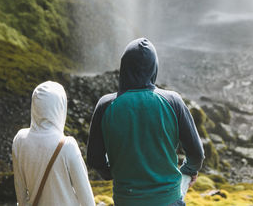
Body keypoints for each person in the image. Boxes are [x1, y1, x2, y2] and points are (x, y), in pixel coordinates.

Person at [87, 38, 205, 206]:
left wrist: (111, 173)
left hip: (126, 200)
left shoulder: (105, 105)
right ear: (154, 67)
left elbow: (94, 159)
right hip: (168, 199)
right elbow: (196, 154)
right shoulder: (173, 101)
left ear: (124, 66)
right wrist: (189, 170)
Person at [12, 81, 95, 206]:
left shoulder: (20, 140)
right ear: (60, 107)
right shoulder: (68, 145)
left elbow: (21, 195)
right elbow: (87, 200)